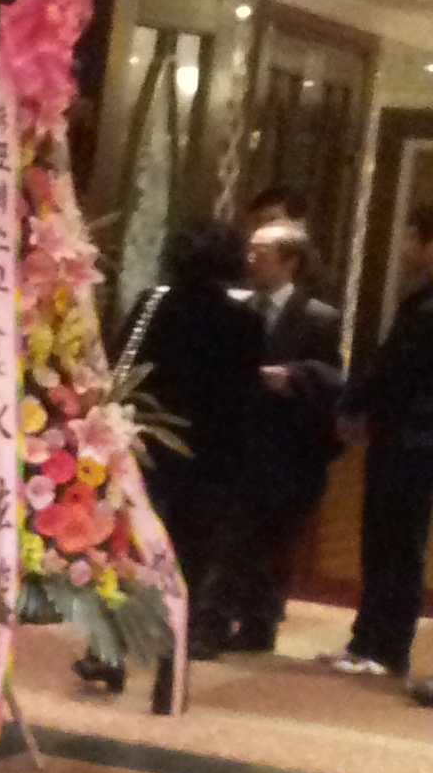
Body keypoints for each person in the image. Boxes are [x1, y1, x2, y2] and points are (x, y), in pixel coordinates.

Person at [119, 220, 263, 655]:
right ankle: (175, 653)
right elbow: (244, 397)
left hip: (149, 443)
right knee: (192, 557)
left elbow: (122, 363)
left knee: (133, 547)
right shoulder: (245, 320)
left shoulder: (151, 304)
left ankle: (113, 649)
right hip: (211, 455)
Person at [214, 220, 343, 655]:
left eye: (262, 254)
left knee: (276, 542)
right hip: (239, 442)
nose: (251, 261)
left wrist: (294, 378)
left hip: (288, 446)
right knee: (231, 539)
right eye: (249, 252)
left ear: (290, 262)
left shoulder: (319, 318)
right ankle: (214, 620)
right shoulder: (237, 309)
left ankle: (259, 623)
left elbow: (331, 383)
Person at [334, 204, 433, 682]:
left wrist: (356, 405)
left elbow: (395, 372)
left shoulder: (427, 306)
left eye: (412, 237)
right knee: (385, 540)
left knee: (396, 543)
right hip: (403, 435)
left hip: (412, 438)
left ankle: (386, 646)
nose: (405, 248)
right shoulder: (421, 298)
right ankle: (369, 638)